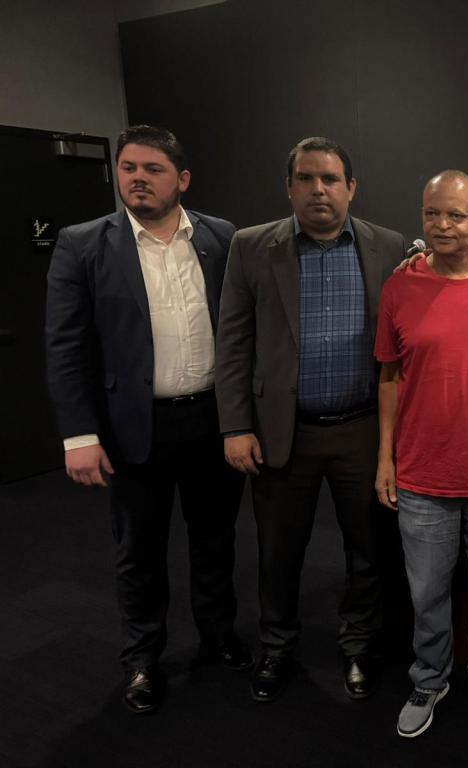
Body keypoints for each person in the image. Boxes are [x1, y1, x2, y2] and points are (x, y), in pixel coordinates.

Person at [45, 124, 250, 715]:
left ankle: (218, 635)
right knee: (139, 551)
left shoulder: (221, 237)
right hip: (134, 428)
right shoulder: (83, 244)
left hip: (211, 420)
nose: (138, 178)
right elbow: (65, 346)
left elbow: (240, 329)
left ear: (181, 179)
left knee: (215, 541)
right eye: (129, 167)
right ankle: (141, 658)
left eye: (153, 169)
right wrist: (79, 435)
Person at [215, 136, 406, 703]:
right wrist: (235, 426)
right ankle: (277, 647)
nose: (318, 189)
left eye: (330, 179)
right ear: (289, 187)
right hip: (282, 432)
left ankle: (358, 645)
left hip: (361, 430)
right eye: (305, 178)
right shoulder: (252, 247)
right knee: (278, 551)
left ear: (351, 187)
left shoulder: (388, 246)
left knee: (367, 549)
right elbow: (233, 342)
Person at [375, 170, 468, 739]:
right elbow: (389, 377)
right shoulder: (399, 288)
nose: (443, 225)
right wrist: (385, 459)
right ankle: (429, 678)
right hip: (422, 475)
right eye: (432, 213)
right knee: (427, 595)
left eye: (456, 215)